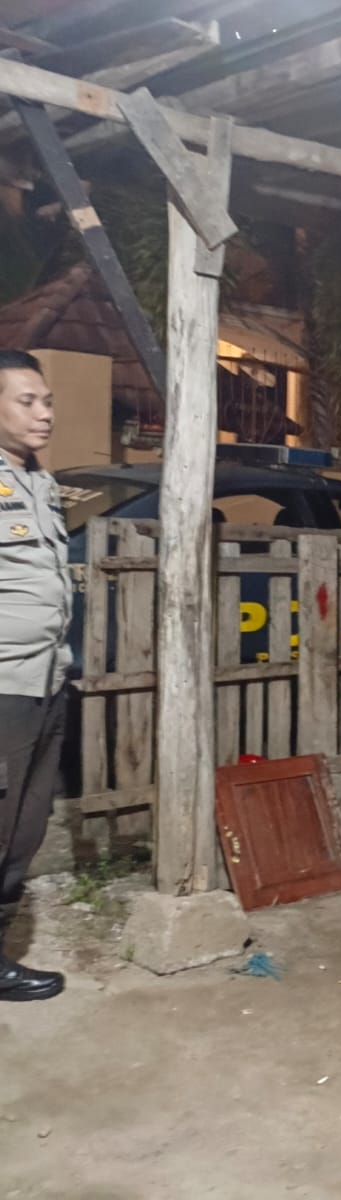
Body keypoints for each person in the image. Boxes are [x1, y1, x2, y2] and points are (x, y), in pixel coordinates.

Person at [0, 351, 71, 1002]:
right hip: (3, 689)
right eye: (27, 401)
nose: (44, 413)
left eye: (46, 401)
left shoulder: (39, 483)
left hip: (45, 683)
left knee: (23, 830)